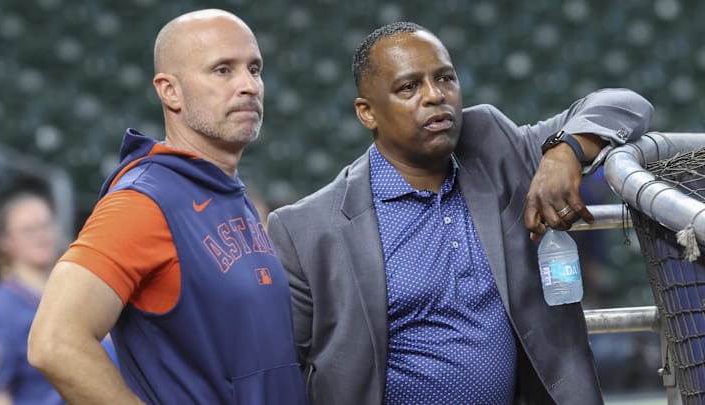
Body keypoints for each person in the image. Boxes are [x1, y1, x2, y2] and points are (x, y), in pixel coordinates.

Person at [266, 22, 654, 405]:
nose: (435, 96)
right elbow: (284, 370)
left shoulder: (493, 145)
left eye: (445, 78)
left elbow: (627, 105)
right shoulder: (307, 229)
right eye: (409, 87)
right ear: (367, 113)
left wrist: (563, 151)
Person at [27, 9, 306, 405]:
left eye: (255, 69)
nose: (249, 85)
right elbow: (54, 342)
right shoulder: (143, 201)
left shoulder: (228, 191)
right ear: (169, 90)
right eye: (223, 70)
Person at [0, 190, 117, 405]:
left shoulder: (79, 283)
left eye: (46, 225)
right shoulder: (1, 308)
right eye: (29, 229)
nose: (41, 235)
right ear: (5, 241)